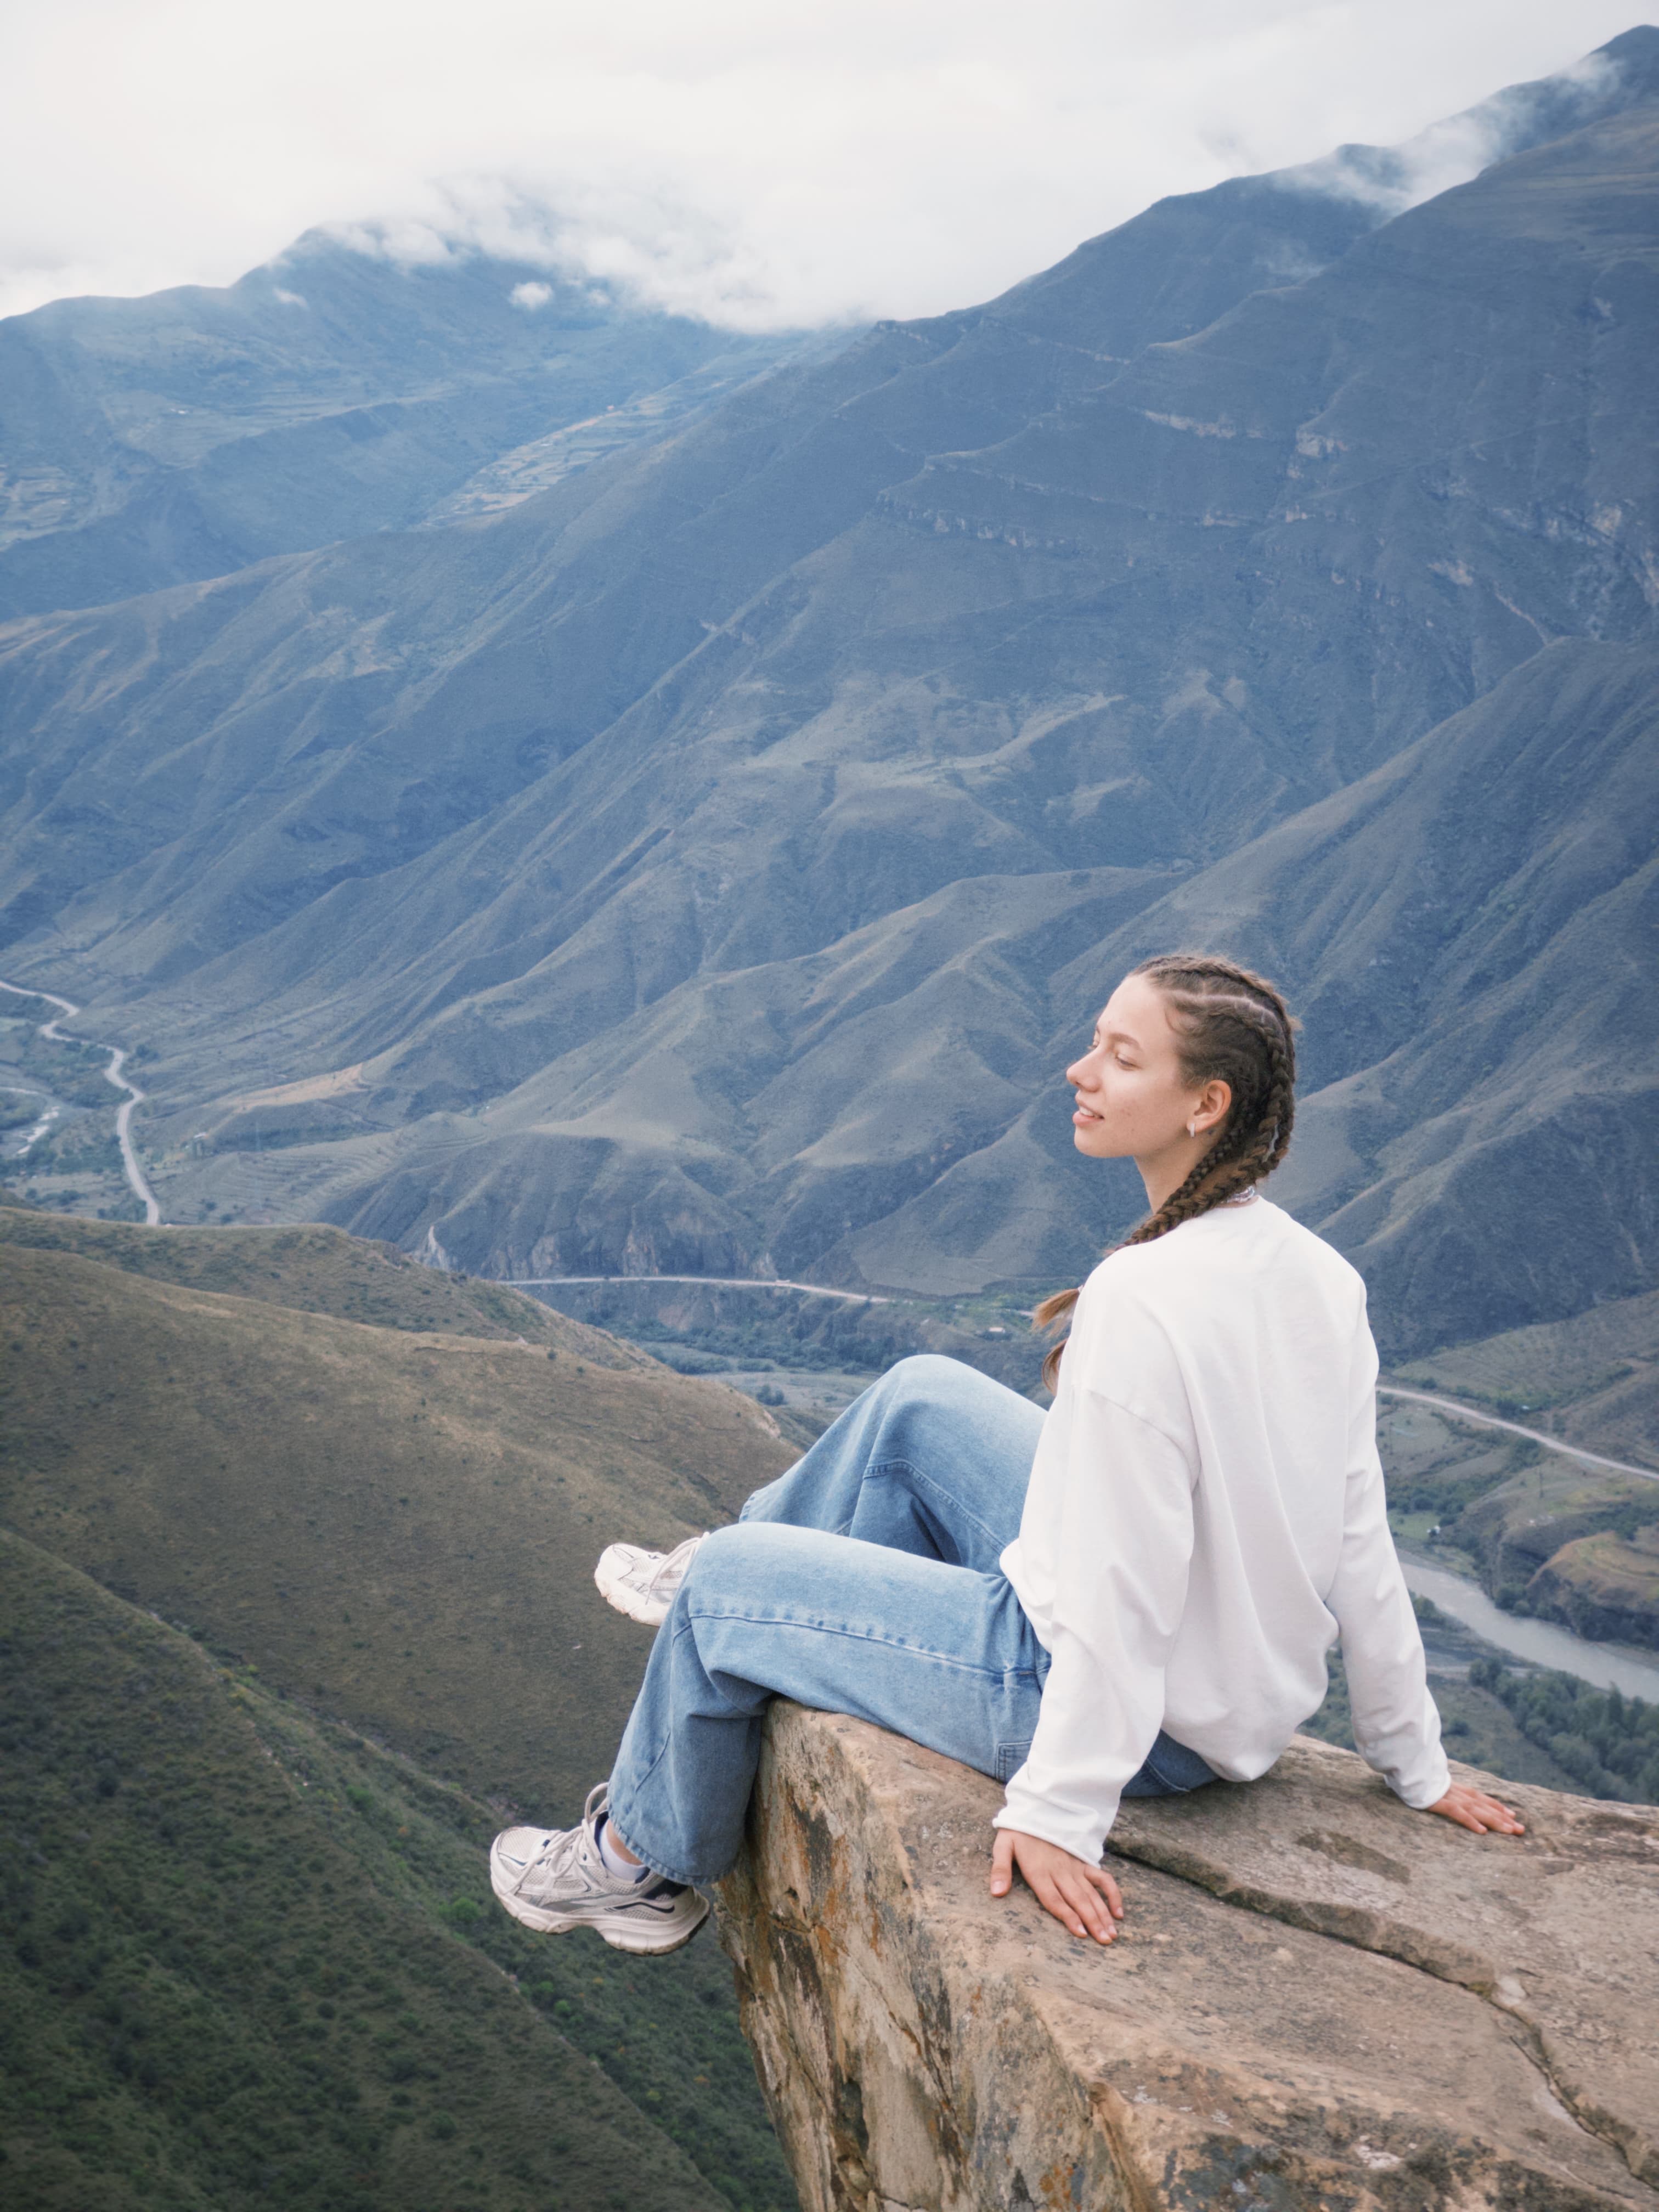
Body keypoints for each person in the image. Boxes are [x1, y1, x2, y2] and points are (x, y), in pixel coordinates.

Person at [489, 952, 1523, 1957]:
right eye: (1094, 1043)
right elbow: (1359, 1530)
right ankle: (775, 1590)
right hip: (1217, 1688)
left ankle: (634, 1864)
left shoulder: (1143, 1298)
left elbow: (1128, 1582)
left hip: (1110, 1702)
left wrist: (1061, 1809)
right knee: (919, 1399)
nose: (1080, 1072)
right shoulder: (1320, 1274)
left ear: (1205, 1105)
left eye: (1122, 1057)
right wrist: (1412, 1761)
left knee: (724, 1589)